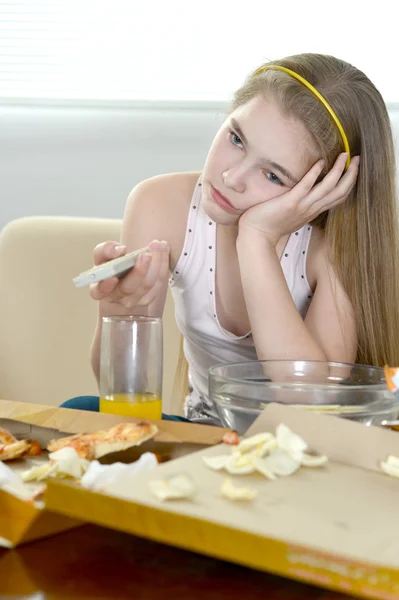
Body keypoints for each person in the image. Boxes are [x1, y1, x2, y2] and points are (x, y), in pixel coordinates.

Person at [65, 53, 399, 422]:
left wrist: (255, 239)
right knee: (80, 410)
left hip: (302, 449)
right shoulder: (159, 204)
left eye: (273, 176)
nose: (231, 177)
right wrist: (120, 312)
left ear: (325, 192)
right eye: (236, 138)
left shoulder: (329, 247)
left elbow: (309, 400)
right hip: (207, 435)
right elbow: (122, 402)